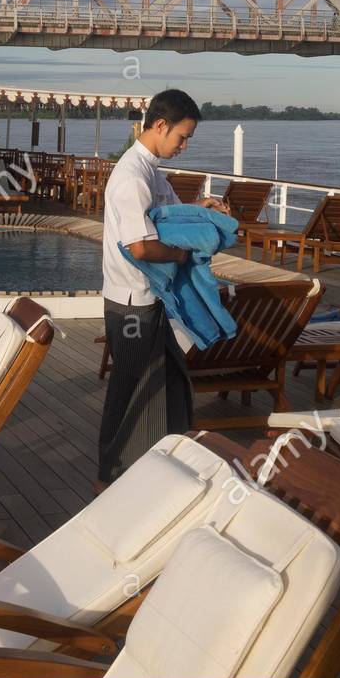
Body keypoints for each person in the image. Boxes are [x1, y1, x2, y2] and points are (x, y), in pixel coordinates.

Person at [97, 88, 228, 488]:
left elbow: (172, 212)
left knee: (167, 380)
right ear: (159, 125)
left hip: (148, 298)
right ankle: (111, 474)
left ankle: (162, 460)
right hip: (132, 302)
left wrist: (202, 208)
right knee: (131, 388)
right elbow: (141, 246)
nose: (184, 145)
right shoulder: (132, 177)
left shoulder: (151, 171)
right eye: (182, 137)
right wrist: (181, 257)